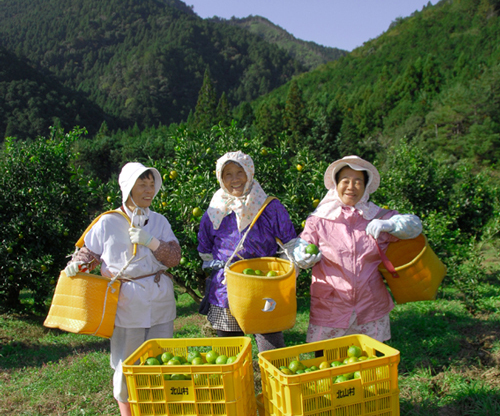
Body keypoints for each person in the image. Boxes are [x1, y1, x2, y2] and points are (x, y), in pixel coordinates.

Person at [64, 162, 181, 416]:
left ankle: (156, 409)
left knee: (160, 357)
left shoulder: (159, 221)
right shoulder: (108, 222)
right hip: (127, 301)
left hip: (159, 298)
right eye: (142, 184)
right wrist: (77, 266)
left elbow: (173, 257)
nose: (149, 190)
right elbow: (89, 252)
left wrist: (151, 242)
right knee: (127, 362)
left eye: (152, 185)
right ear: (128, 186)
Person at [292, 155, 422, 343]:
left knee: (369, 363)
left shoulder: (377, 216)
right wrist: (301, 254)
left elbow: (415, 226)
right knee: (327, 364)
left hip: (370, 306)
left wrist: (391, 225)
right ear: (336, 184)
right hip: (331, 305)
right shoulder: (319, 219)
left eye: (358, 182)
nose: (351, 187)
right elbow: (302, 244)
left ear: (366, 186)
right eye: (345, 181)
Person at [197, 150, 297, 352]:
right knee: (229, 352)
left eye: (239, 172)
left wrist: (294, 261)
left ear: (249, 173)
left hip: (263, 287)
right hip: (226, 290)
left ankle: (274, 381)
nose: (235, 179)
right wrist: (210, 263)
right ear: (220, 178)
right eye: (228, 174)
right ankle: (236, 383)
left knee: (271, 348)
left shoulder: (269, 207)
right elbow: (205, 245)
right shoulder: (216, 209)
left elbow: (290, 242)